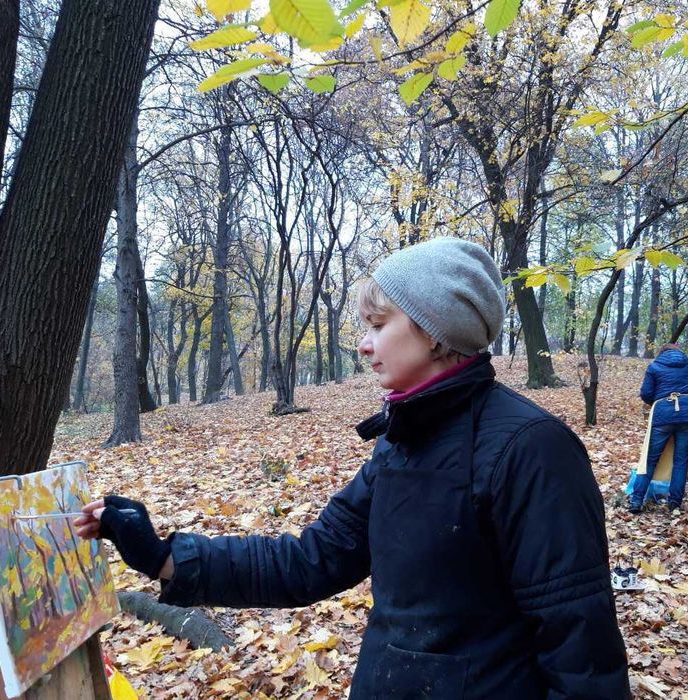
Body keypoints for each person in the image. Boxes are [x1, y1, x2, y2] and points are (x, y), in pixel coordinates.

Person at [75, 237, 631, 699]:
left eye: (378, 323)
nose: (364, 345)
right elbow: (310, 562)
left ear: (436, 329)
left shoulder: (531, 449)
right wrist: (165, 557)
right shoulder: (404, 439)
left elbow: (580, 646)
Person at [628, 344, 688, 514]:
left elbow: (645, 393)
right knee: (681, 461)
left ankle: (636, 501)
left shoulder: (655, 367)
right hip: (687, 415)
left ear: (662, 353)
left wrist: (659, 401)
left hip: (663, 415)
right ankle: (674, 503)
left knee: (650, 460)